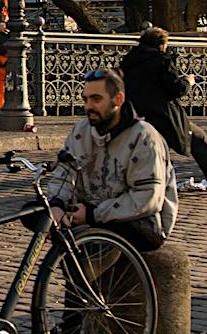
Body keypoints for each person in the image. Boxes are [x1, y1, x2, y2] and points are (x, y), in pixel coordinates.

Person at [44, 68, 179, 253]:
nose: (89, 106)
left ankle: (90, 277)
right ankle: (75, 274)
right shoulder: (81, 131)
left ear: (118, 100)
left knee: (106, 236)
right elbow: (64, 174)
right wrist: (57, 205)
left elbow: (148, 198)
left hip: (140, 221)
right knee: (34, 213)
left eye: (96, 99)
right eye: (85, 99)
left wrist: (93, 214)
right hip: (88, 211)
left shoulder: (144, 137)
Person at [120, 28, 207, 194]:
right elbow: (176, 89)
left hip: (134, 115)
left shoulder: (128, 62)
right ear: (162, 44)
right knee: (198, 137)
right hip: (162, 117)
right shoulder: (161, 60)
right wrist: (188, 81)